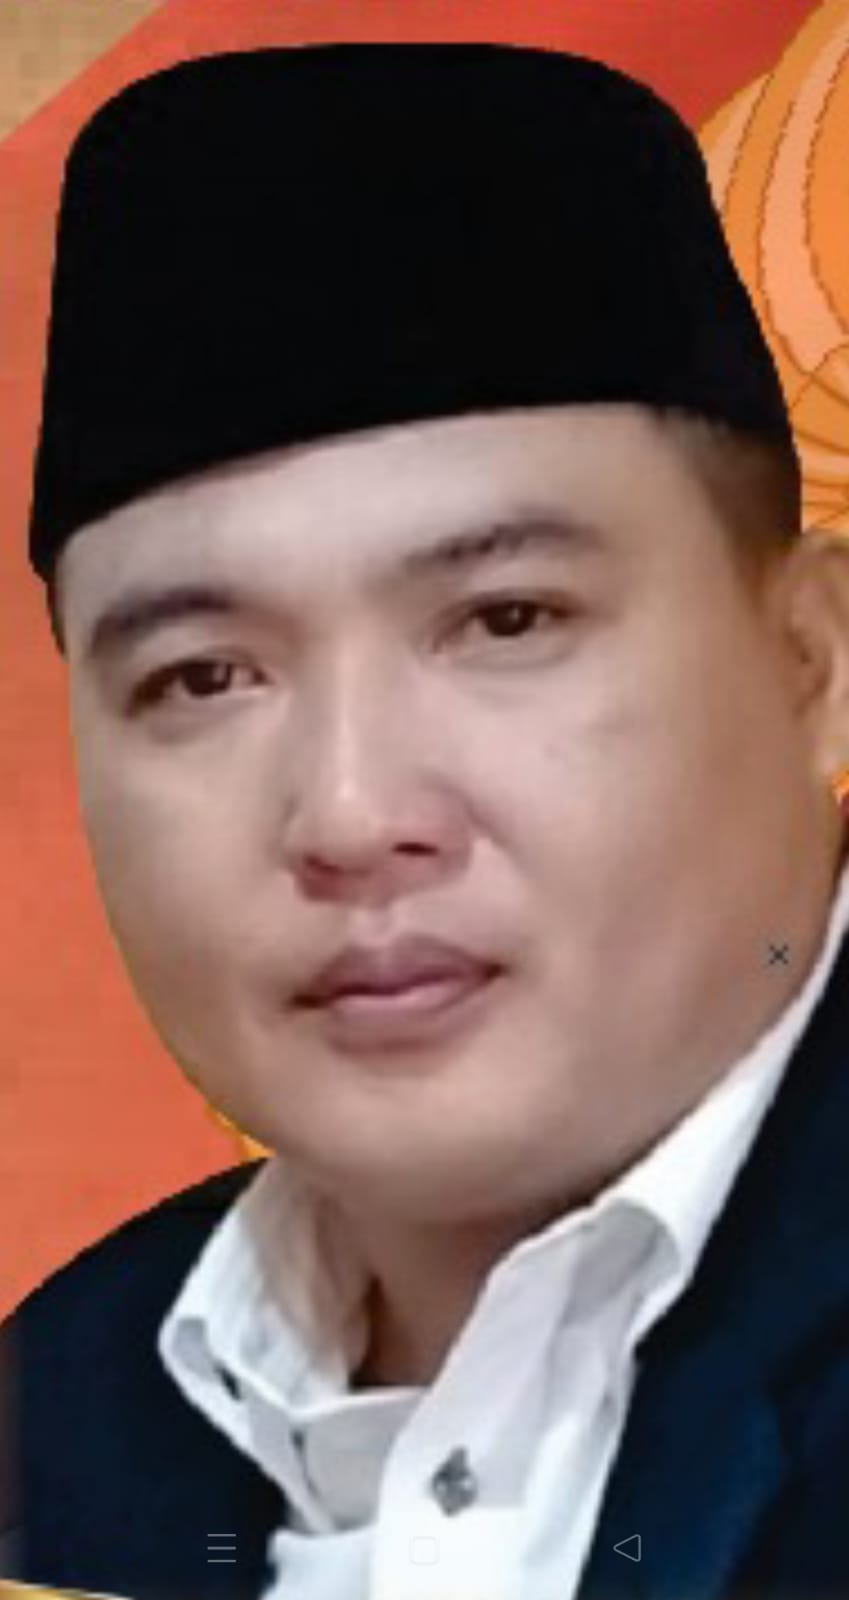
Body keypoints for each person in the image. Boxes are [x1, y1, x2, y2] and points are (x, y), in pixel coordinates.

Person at [2, 39, 849, 1600]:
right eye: (202, 677)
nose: (348, 811)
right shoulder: (53, 1422)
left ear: (810, 664)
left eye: (505, 621)